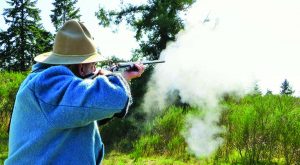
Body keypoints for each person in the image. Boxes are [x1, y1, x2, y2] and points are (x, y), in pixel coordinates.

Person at [5, 20, 145, 165]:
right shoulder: (48, 84)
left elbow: (87, 112)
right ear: (82, 68)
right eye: (93, 64)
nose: (95, 68)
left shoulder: (47, 84)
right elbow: (115, 97)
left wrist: (124, 78)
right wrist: (112, 78)